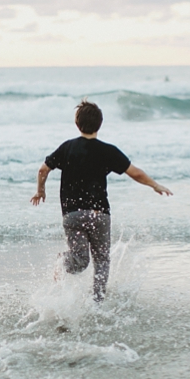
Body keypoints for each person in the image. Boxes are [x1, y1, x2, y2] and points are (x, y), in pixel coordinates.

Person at [30, 99, 172, 301]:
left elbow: (43, 169)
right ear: (100, 124)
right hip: (99, 215)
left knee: (79, 260)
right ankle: (97, 302)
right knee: (102, 260)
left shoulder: (67, 148)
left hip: (72, 215)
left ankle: (63, 262)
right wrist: (155, 185)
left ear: (77, 123)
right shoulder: (108, 151)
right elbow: (135, 173)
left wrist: (40, 191)